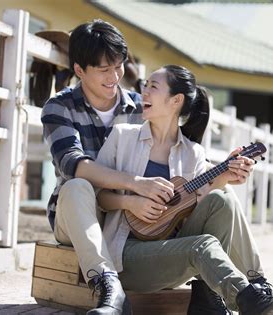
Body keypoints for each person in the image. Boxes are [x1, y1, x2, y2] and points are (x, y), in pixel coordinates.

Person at [41, 19, 259, 315]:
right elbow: (75, 164)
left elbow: (179, 160)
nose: (114, 76)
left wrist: (225, 173)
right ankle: (108, 286)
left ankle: (244, 289)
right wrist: (134, 185)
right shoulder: (60, 107)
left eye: (118, 67)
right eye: (104, 69)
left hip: (135, 224)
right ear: (80, 70)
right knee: (78, 186)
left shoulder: (138, 107)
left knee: (224, 199)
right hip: (80, 214)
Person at [94, 65, 273, 315]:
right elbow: (98, 197)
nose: (144, 91)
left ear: (176, 101)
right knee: (202, 245)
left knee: (223, 197)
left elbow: (201, 208)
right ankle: (251, 301)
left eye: (153, 86)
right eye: (146, 85)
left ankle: (233, 292)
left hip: (173, 254)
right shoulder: (122, 137)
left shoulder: (192, 153)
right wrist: (130, 203)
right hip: (127, 257)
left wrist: (224, 177)